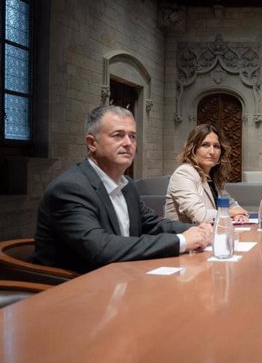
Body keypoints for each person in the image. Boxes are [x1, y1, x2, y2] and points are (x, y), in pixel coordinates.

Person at [34, 105, 212, 273]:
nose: (128, 143)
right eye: (118, 135)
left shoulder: (127, 185)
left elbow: (153, 224)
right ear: (91, 143)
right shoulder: (70, 188)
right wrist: (181, 241)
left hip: (122, 277)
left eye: (132, 136)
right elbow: (101, 248)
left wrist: (195, 230)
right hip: (75, 290)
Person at [164, 124, 248, 224]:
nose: (212, 151)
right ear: (193, 149)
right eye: (205, 145)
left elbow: (232, 204)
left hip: (209, 235)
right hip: (185, 237)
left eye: (216, 146)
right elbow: (200, 216)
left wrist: (239, 214)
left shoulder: (212, 177)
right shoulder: (184, 174)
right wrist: (230, 213)